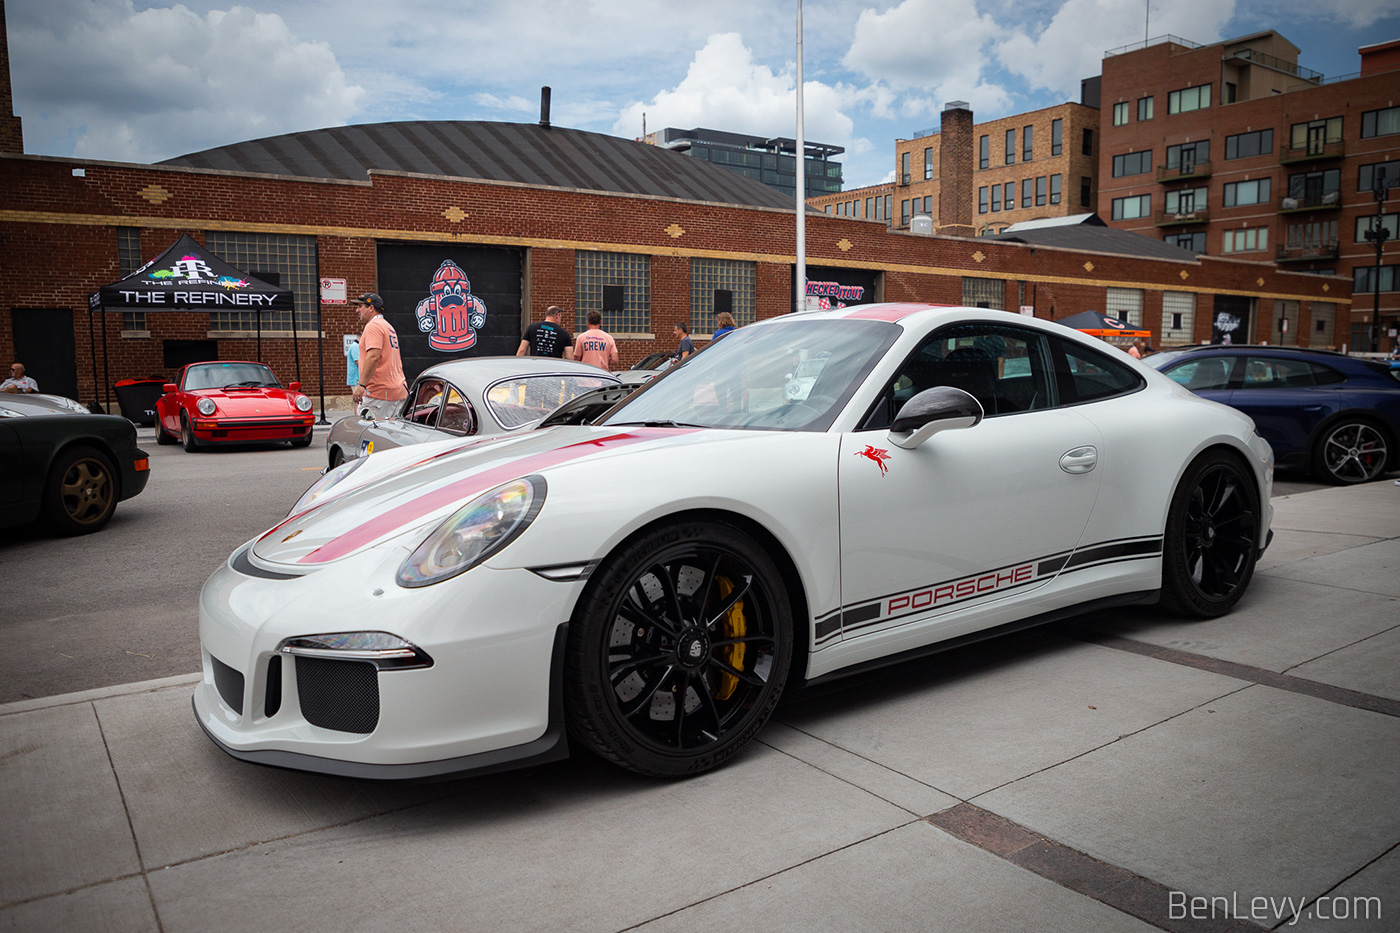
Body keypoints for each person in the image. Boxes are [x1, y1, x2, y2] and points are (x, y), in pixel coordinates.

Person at [350, 292, 408, 421]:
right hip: (396, 390)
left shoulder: (373, 326)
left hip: (378, 394)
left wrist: (362, 385)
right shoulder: (388, 326)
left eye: (360, 306)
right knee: (392, 434)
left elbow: (373, 356)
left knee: (368, 432)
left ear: (371, 308)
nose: (357, 310)